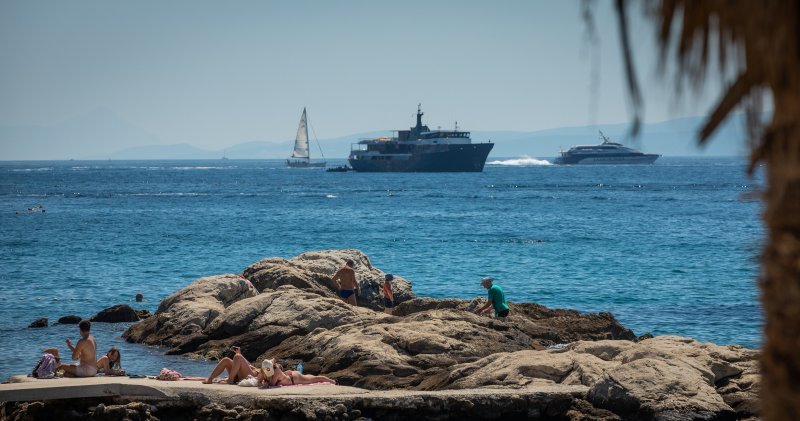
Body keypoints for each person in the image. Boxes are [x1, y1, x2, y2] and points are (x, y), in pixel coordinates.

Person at [258, 359, 335, 387]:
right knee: (311, 377)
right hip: (288, 375)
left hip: (294, 378)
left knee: (317, 378)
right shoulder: (262, 369)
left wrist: (263, 382)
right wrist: (260, 382)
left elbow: (271, 384)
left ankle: (333, 381)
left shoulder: (276, 370)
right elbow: (259, 381)